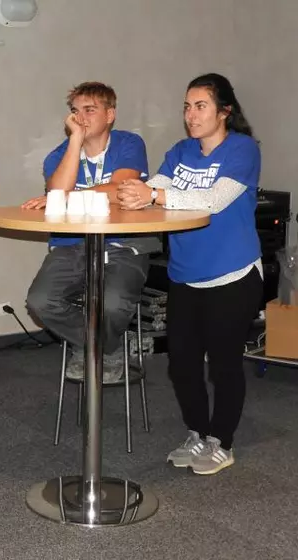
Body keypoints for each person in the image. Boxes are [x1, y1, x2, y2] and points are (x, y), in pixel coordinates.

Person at [118, 73, 262, 475]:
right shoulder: (181, 150)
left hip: (232, 275)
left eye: (200, 106)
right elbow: (156, 189)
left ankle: (222, 441)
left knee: (223, 364)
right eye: (187, 106)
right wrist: (133, 195)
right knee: (180, 364)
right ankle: (197, 432)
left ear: (224, 111)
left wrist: (154, 195)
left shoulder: (243, 149)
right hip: (186, 275)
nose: (191, 114)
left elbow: (213, 200)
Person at [24, 82, 160, 382]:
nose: (81, 117)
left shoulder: (129, 144)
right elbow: (56, 191)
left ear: (110, 114)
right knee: (40, 300)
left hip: (124, 245)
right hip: (72, 245)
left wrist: (72, 195)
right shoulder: (58, 155)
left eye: (90, 110)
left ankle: (88, 346)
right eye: (75, 111)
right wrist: (75, 142)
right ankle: (105, 347)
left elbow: (121, 190)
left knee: (111, 302)